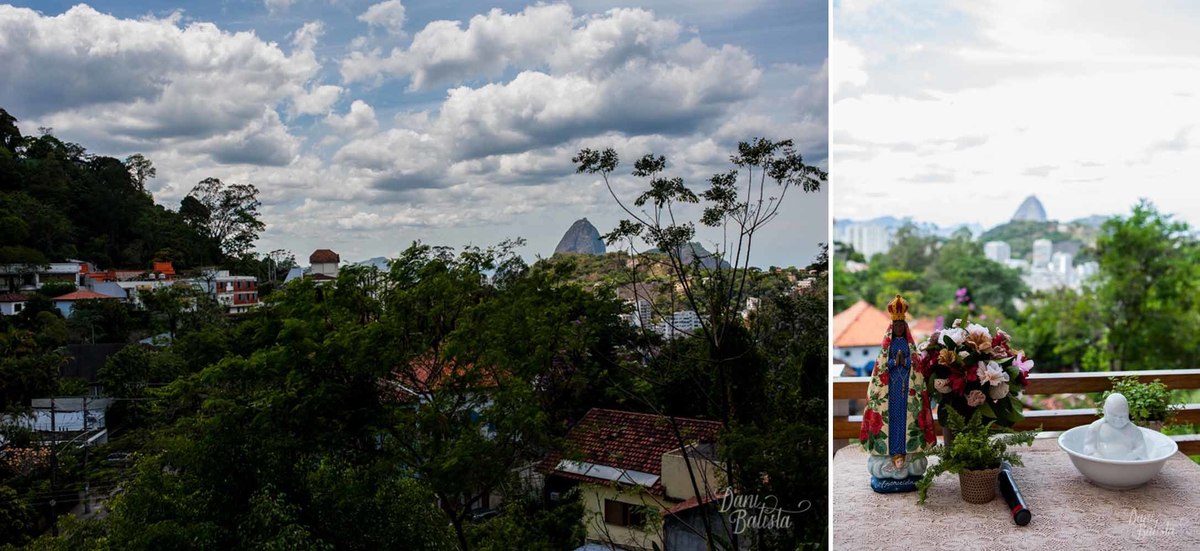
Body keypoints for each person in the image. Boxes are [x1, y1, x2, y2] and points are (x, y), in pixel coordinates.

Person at [859, 295, 936, 492]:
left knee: (905, 421)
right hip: (890, 391)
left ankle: (905, 455)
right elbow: (882, 367)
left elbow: (916, 366)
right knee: (891, 422)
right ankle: (891, 455)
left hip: (906, 393)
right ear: (893, 327)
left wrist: (907, 362)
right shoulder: (889, 346)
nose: (900, 328)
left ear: (905, 326)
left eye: (902, 325)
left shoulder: (909, 346)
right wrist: (894, 362)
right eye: (897, 325)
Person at [1084, 393, 1147, 460]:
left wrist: (1131, 456)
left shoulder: (1134, 430)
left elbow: (1141, 448)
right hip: (1102, 464)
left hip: (1128, 465)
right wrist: (1096, 456)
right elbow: (1089, 447)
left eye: (1122, 416)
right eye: (1114, 416)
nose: (1118, 419)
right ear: (1105, 411)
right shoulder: (1096, 427)